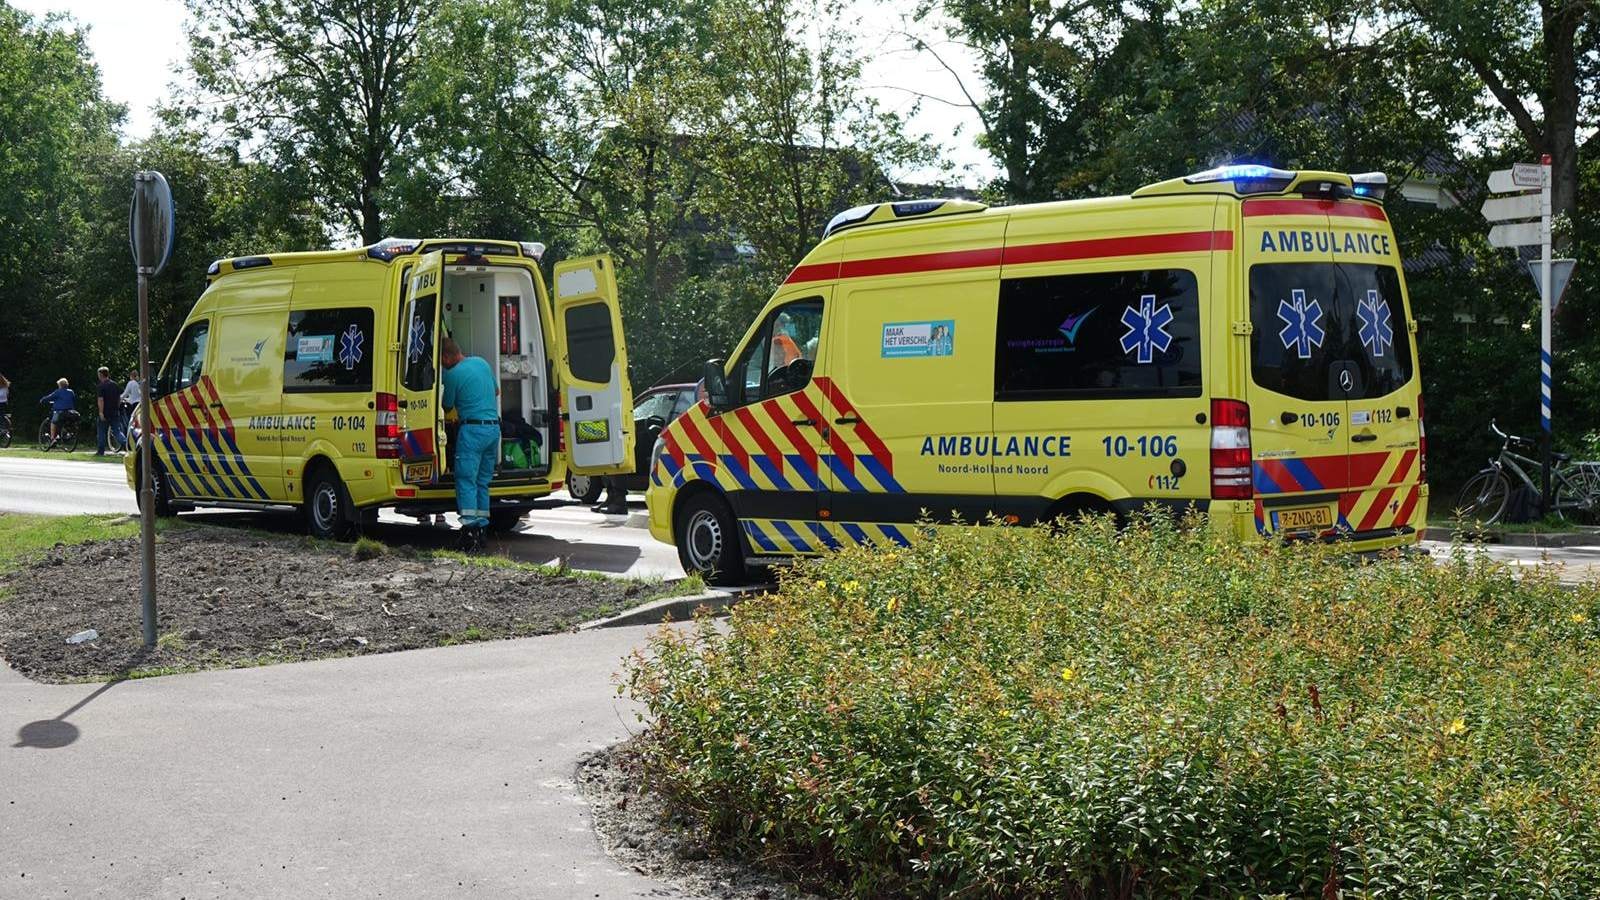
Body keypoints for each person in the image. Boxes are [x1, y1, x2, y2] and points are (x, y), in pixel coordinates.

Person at [440, 338, 500, 551]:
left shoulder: (452, 374)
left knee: (466, 480)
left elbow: (446, 406)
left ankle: (469, 533)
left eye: (441, 360)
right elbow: (496, 391)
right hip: (493, 429)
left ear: (446, 357)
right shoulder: (481, 363)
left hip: (472, 431)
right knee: (483, 481)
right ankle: (482, 530)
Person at [39, 377, 75, 445]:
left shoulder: (58, 391)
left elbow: (50, 397)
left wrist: (42, 400)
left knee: (53, 422)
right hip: (70, 412)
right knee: (65, 422)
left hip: (60, 412)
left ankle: (52, 439)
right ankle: (66, 433)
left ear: (60, 385)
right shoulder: (71, 392)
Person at [94, 367, 120, 455]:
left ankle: (101, 451)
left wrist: (101, 412)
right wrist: (117, 408)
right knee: (117, 431)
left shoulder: (101, 386)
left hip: (105, 412)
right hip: (114, 411)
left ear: (101, 375)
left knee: (101, 432)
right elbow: (119, 398)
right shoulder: (115, 384)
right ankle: (127, 445)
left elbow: (101, 400)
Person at [119, 368, 141, 447]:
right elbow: (135, 396)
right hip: (140, 404)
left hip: (133, 405)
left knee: (130, 422)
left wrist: (119, 398)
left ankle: (129, 439)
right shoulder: (139, 383)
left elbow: (125, 393)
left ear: (131, 376)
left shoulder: (131, 383)